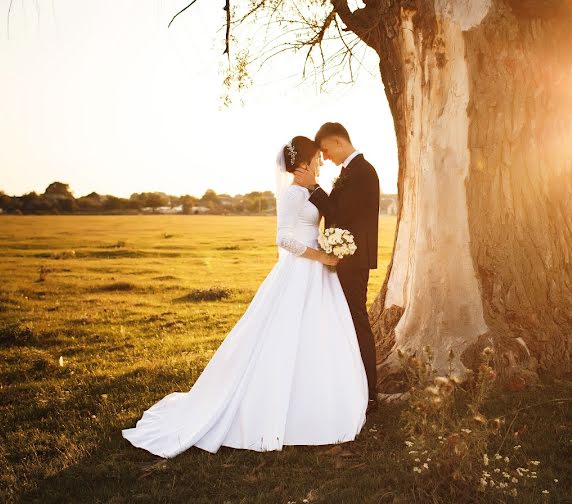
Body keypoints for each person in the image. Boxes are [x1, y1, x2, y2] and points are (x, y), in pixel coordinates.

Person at [121, 136, 368, 458]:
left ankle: (321, 401)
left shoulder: (309, 191)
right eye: (316, 160)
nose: (321, 164)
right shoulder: (294, 194)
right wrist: (320, 256)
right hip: (301, 273)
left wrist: (328, 246)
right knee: (286, 335)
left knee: (318, 334)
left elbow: (318, 221)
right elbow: (284, 239)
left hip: (317, 274)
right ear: (303, 164)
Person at [293, 122, 380, 412]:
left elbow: (340, 213)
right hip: (343, 256)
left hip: (353, 261)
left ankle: (369, 393)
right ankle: (351, 384)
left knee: (356, 321)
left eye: (327, 151)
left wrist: (313, 188)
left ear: (339, 142)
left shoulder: (363, 172)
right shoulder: (349, 172)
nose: (326, 158)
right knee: (344, 322)